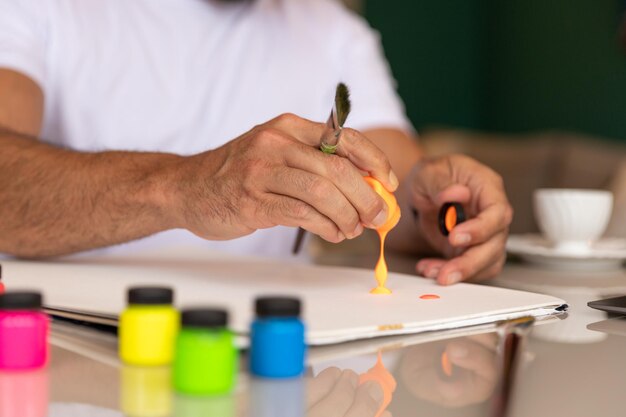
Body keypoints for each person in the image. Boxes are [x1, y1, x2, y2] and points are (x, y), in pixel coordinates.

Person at [0, 0, 512, 285]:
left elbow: (396, 191)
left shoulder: (332, 28)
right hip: (64, 356)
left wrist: (443, 209)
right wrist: (185, 187)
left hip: (276, 356)